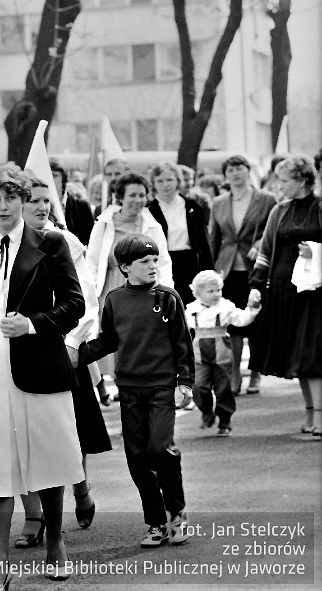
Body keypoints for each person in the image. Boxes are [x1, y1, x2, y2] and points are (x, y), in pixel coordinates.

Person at [0, 163, 85, 588]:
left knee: (46, 454)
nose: (3, 206)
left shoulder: (51, 243)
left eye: (11, 198)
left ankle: (55, 543)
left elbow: (75, 304)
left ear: (23, 201)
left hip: (37, 358)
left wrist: (33, 324)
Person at [75, 234, 194, 548]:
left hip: (161, 387)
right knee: (137, 458)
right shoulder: (114, 300)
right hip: (129, 389)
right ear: (125, 267)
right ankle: (155, 522)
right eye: (144, 262)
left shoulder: (168, 297)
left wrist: (185, 383)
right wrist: (75, 356)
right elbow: (108, 340)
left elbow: (183, 344)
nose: (153, 266)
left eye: (155, 260)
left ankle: (177, 512)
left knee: (160, 449)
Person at [14, 173, 110, 549]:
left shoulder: (64, 241)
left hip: (60, 348)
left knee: (70, 433)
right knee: (22, 435)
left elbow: (85, 298)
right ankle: (33, 513)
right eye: (33, 200)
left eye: (46, 200)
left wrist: (71, 344)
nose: (41, 207)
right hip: (17, 352)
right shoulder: (0, 245)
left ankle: (81, 489)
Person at [250, 156, 322, 437]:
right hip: (282, 288)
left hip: (313, 290)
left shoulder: (319, 206)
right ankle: (309, 413)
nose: (279, 186)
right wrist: (257, 286)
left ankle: (320, 416)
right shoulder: (279, 210)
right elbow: (266, 251)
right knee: (296, 355)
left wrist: (316, 251)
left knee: (311, 353)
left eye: (284, 180)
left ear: (302, 180)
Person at [86, 173, 172, 385]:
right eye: (132, 195)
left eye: (142, 195)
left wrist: (166, 293)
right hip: (111, 288)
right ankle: (115, 385)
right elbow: (92, 262)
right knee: (112, 337)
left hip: (143, 290)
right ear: (120, 197)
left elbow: (163, 263)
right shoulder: (103, 224)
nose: (138, 200)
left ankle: (134, 385)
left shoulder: (153, 226)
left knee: (137, 338)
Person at [209, 155, 277, 395]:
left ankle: (256, 373)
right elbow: (214, 237)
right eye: (230, 170)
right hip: (227, 270)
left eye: (239, 168)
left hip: (255, 268)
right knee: (233, 324)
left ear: (248, 171)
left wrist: (259, 244)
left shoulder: (266, 199)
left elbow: (274, 230)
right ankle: (235, 373)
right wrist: (212, 270)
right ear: (225, 175)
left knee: (256, 322)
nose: (235, 173)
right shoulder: (218, 202)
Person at [185, 270, 261, 437]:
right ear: (198, 293)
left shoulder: (225, 307)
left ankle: (225, 420)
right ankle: (206, 411)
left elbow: (242, 320)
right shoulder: (191, 309)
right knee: (199, 386)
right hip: (200, 354)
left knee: (223, 388)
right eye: (210, 291)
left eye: (218, 290)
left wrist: (252, 308)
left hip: (222, 351)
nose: (216, 294)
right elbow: (179, 328)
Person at [147, 161, 213, 305]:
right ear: (153, 184)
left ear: (178, 180)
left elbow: (203, 243)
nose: (165, 185)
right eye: (160, 181)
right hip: (161, 266)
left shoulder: (192, 207)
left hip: (189, 265)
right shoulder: (148, 210)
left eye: (170, 179)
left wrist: (209, 273)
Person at [50, 159, 94, 246]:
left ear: (64, 178)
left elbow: (90, 240)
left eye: (54, 175)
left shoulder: (82, 207)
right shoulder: (41, 205)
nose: (50, 179)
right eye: (48, 175)